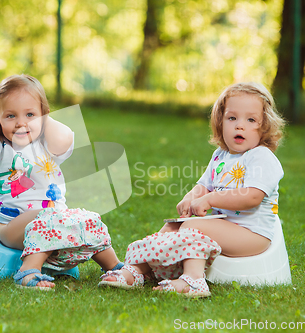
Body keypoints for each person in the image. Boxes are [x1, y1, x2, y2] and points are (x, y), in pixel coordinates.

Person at [99, 82, 285, 298]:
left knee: (193, 226)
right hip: (225, 227)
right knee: (172, 226)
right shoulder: (220, 156)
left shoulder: (261, 157)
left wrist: (211, 200)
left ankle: (193, 280)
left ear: (265, 127)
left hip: (252, 235)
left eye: (251, 120)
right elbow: (203, 186)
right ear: (220, 121)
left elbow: (252, 197)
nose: (239, 126)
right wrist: (191, 198)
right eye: (232, 118)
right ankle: (137, 271)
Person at [0, 74, 123, 290]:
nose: (21, 123)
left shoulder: (47, 145)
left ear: (43, 116)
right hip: (12, 228)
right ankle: (26, 272)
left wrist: (42, 118)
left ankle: (115, 268)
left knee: (90, 220)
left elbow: (66, 136)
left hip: (57, 221)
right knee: (44, 217)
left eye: (30, 114)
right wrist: (2, 122)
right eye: (10, 116)